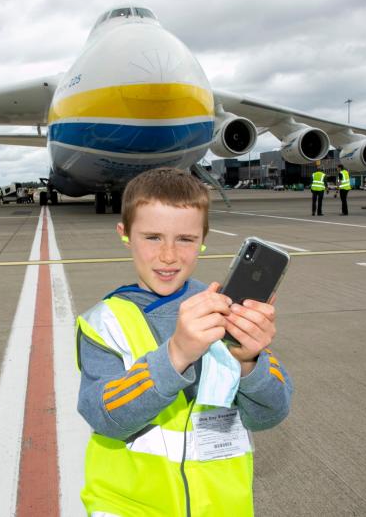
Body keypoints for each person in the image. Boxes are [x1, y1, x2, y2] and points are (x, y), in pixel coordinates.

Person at [76, 167, 291, 516]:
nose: (168, 255)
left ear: (203, 238)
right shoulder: (104, 323)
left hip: (222, 508)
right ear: (125, 234)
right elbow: (103, 416)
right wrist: (176, 355)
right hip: (128, 506)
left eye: (186, 239)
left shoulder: (223, 310)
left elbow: (269, 415)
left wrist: (249, 361)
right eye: (152, 237)